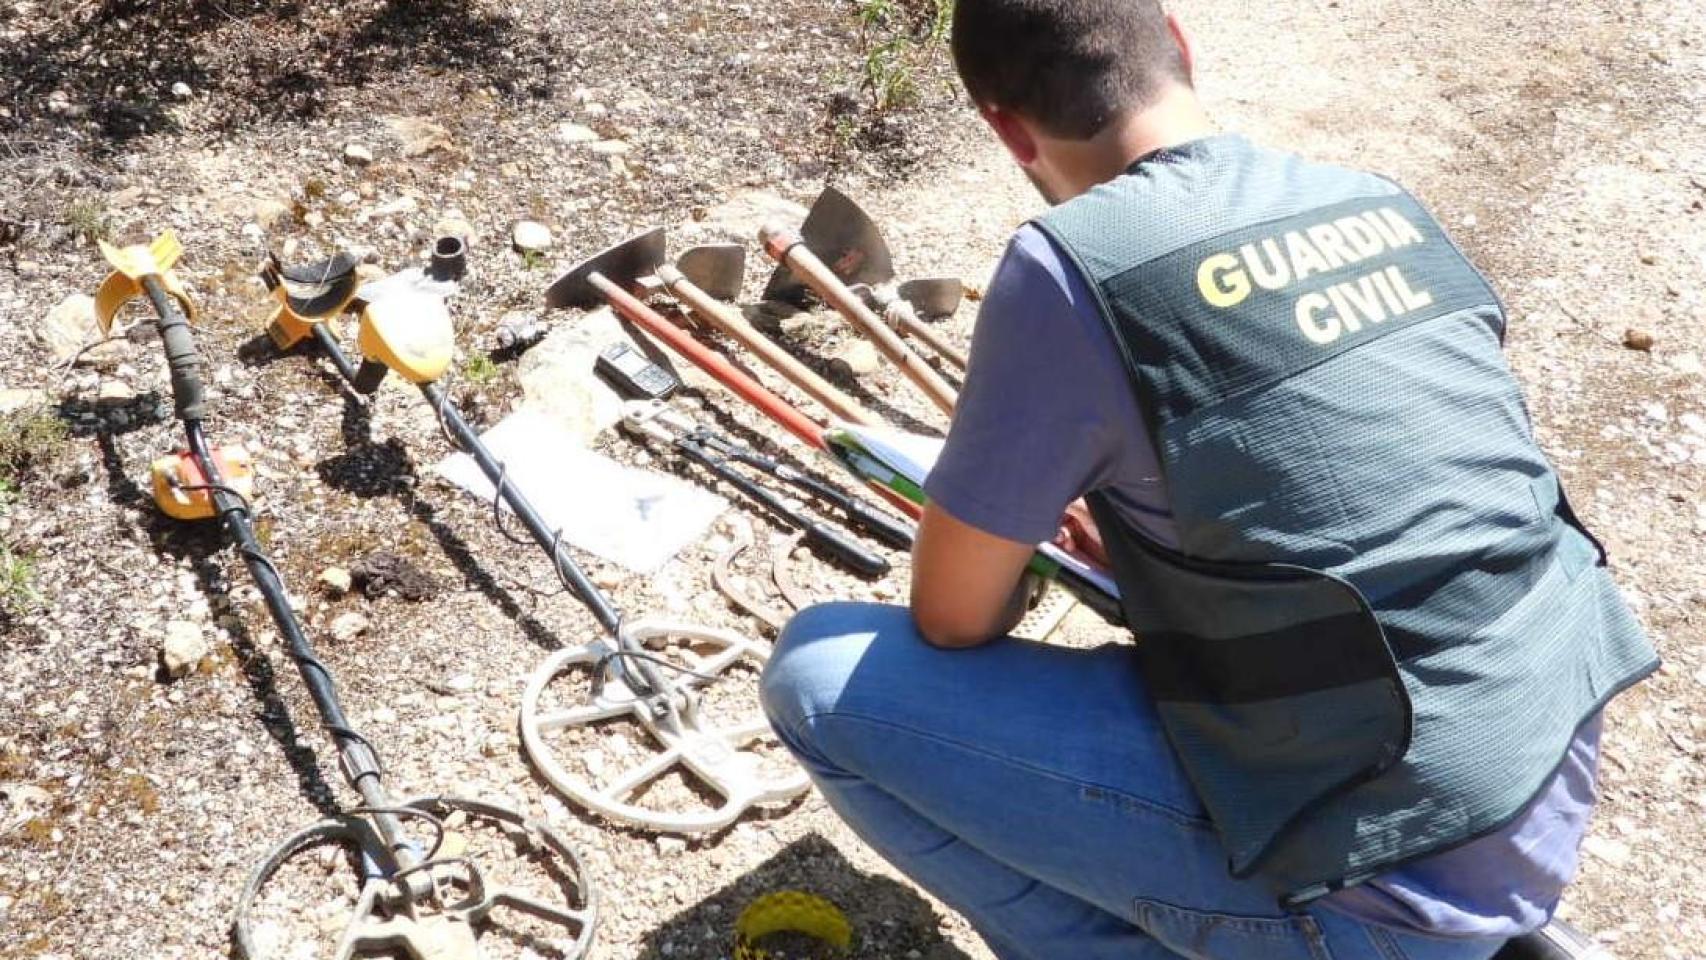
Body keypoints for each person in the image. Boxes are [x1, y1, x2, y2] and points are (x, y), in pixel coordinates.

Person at [759, 1, 1660, 958]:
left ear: (1005, 127)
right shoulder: (1371, 198)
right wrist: (1174, 547)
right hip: (1539, 789)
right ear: (1181, 46)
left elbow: (952, 618)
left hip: (1380, 876)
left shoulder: (1073, 269)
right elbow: (1380, 490)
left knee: (815, 677)